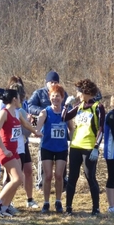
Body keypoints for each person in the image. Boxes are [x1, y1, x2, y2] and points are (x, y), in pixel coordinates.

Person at [0, 89, 42, 217]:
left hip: (14, 151)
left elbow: (26, 124)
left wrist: (36, 132)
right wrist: (4, 149)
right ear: (14, 99)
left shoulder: (17, 113)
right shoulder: (4, 113)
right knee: (18, 178)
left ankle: (5, 207)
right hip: (5, 151)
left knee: (17, 180)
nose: (21, 100)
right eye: (19, 98)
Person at [62, 79, 105, 216]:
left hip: (88, 147)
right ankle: (68, 207)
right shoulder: (79, 106)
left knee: (90, 176)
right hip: (75, 146)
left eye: (79, 92)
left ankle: (96, 208)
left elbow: (101, 129)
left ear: (86, 92)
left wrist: (96, 147)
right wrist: (66, 106)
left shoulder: (98, 107)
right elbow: (64, 118)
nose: (77, 94)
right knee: (72, 177)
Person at [28, 71, 69, 191]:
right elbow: (29, 106)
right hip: (44, 129)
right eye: (51, 82)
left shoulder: (63, 93)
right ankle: (41, 183)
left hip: (60, 132)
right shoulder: (38, 93)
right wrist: (46, 111)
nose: (53, 84)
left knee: (61, 164)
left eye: (56, 82)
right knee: (44, 159)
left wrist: (61, 110)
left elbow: (69, 109)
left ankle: (62, 184)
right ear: (46, 83)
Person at [35, 84, 70, 213]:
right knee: (48, 175)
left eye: (58, 96)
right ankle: (46, 202)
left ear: (62, 98)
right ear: (50, 97)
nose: (55, 98)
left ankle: (58, 201)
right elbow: (37, 128)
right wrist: (37, 131)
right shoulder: (45, 112)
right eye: (53, 96)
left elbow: (72, 130)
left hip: (61, 148)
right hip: (47, 147)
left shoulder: (66, 113)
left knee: (59, 175)